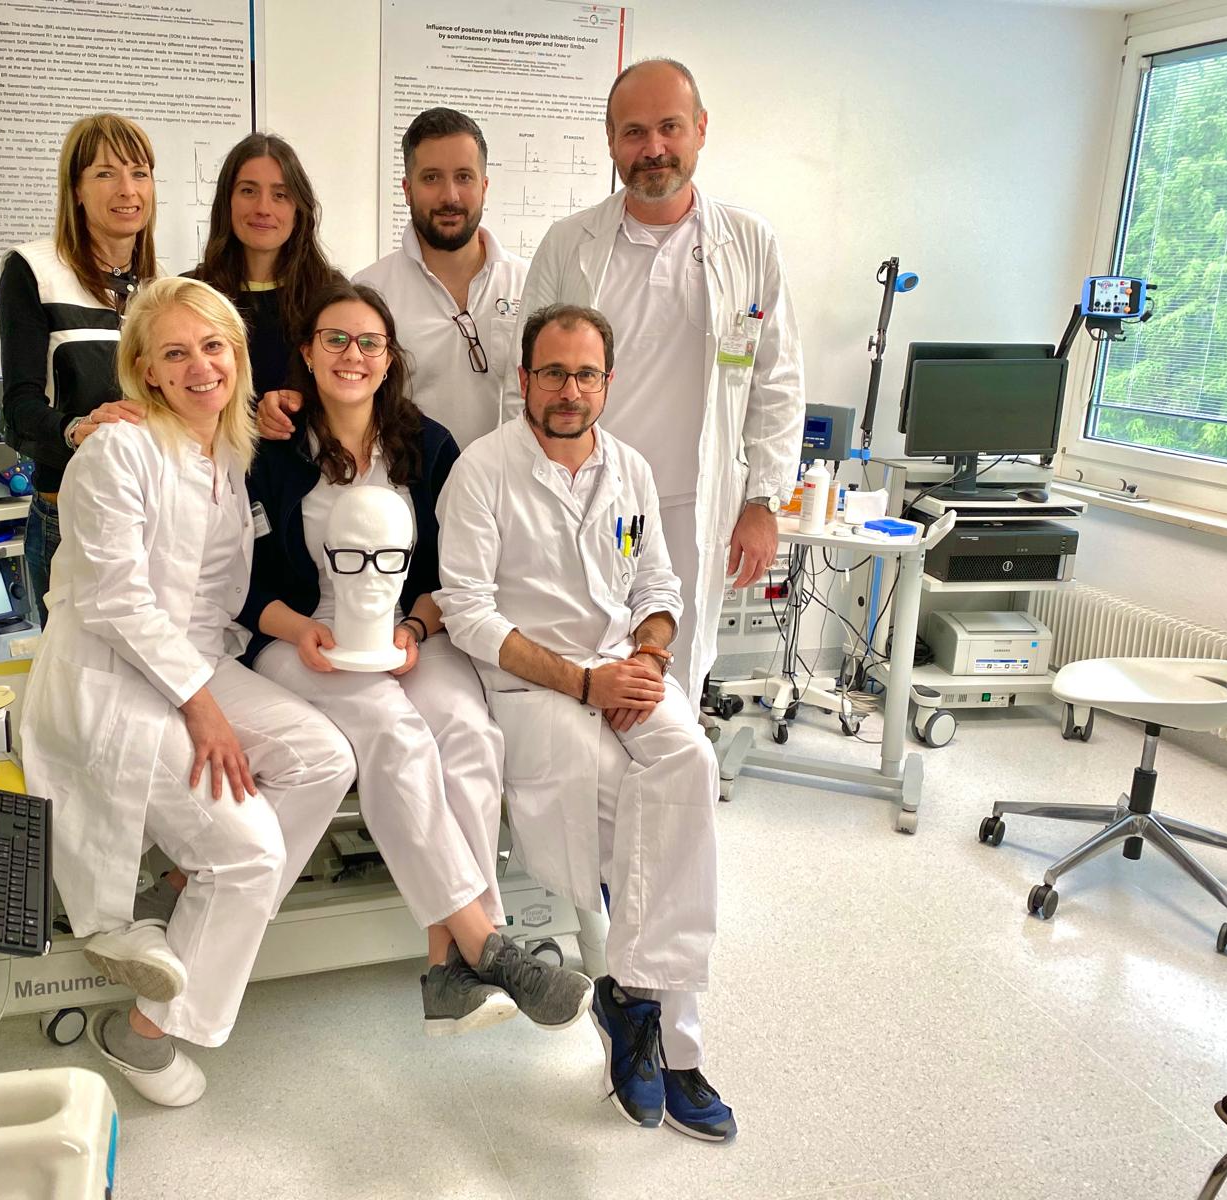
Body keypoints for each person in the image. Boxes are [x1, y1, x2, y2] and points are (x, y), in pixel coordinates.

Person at [20, 276, 356, 1107]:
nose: (201, 366)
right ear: (146, 370)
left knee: (322, 759)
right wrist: (203, 711)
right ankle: (143, 1033)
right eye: (175, 353)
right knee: (251, 853)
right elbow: (115, 603)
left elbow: (211, 604)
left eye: (213, 347)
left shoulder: (226, 456)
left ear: (237, 356)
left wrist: (281, 642)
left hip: (192, 663)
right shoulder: (119, 451)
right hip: (111, 678)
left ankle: (180, 901)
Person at [240, 280, 593, 1037]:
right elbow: (246, 589)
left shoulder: (429, 447)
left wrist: (416, 628)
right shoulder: (269, 453)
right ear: (307, 353)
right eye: (335, 339)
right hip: (302, 638)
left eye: (369, 341)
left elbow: (450, 573)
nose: (353, 354)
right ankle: (485, 946)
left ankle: (448, 970)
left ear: (390, 357)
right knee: (396, 734)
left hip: (409, 630)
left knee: (467, 730)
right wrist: (301, 632)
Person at [437, 303, 734, 1141]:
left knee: (691, 769)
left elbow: (658, 586)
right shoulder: (483, 471)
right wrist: (584, 682)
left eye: (587, 374)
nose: (570, 391)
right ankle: (674, 1047)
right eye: (554, 373)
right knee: (631, 813)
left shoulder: (629, 469)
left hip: (624, 669)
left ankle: (632, 1001)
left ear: (609, 381)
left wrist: (650, 655)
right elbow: (470, 615)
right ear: (524, 379)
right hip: (533, 686)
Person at [520, 58, 806, 705]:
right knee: (585, 653)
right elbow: (526, 383)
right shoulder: (569, 244)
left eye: (669, 127)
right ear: (611, 141)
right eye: (634, 132)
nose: (653, 148)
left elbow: (778, 381)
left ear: (700, 129)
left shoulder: (748, 243)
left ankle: (675, 761)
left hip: (692, 502)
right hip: (590, 496)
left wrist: (764, 502)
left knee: (677, 663)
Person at [257, 107, 525, 451]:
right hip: (408, 479)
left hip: (504, 481)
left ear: (484, 187)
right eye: (431, 178)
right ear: (407, 189)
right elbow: (337, 395)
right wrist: (285, 402)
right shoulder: (371, 291)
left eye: (464, 177)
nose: (450, 196)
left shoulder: (528, 284)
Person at [0, 112, 161, 625]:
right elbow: (18, 409)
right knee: (73, 669)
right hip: (67, 515)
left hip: (150, 517)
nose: (127, 189)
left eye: (139, 173)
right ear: (76, 190)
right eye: (106, 173)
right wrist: (75, 429)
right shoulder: (34, 270)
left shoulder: (159, 287)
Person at [189, 132, 343, 417]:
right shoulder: (192, 293)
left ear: (299, 209)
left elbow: (352, 388)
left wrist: (299, 401)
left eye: (280, 195)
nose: (263, 208)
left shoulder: (331, 294)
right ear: (227, 200)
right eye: (248, 191)